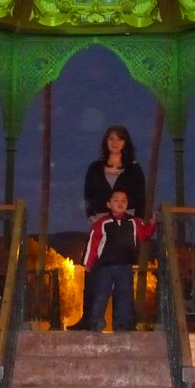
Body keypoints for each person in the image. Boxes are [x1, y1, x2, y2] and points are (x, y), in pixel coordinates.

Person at [68, 125, 146, 330]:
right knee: (93, 271)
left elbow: (141, 196)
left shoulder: (134, 168)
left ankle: (126, 322)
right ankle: (90, 319)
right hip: (101, 224)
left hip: (124, 227)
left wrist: (138, 221)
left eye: (119, 139)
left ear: (125, 142)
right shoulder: (95, 167)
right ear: (105, 142)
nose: (114, 142)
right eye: (111, 138)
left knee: (123, 278)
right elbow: (88, 193)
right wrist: (91, 215)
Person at [81, 190, 156, 332]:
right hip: (105, 267)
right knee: (101, 295)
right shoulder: (102, 223)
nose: (120, 203)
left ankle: (122, 325)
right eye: (116, 200)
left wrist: (152, 225)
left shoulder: (134, 222)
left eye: (123, 200)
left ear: (127, 204)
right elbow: (94, 243)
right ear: (108, 204)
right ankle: (96, 323)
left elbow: (144, 235)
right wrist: (89, 262)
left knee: (124, 296)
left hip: (125, 266)